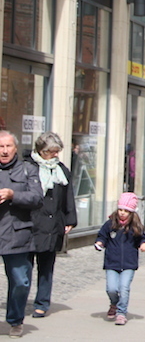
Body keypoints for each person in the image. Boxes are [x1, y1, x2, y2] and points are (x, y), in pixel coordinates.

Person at [28, 133, 77, 319]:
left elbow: (68, 198)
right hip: (31, 224)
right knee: (24, 270)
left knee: (46, 267)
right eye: (52, 152)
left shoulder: (61, 171)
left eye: (57, 151)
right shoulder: (28, 167)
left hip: (52, 225)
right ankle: (20, 300)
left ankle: (42, 303)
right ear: (41, 151)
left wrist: (69, 220)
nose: (56, 155)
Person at [0, 131, 42, 338]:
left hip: (17, 233)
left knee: (20, 281)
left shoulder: (28, 169)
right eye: (1, 147)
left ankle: (15, 319)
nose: (4, 151)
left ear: (15, 148)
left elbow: (37, 198)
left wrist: (12, 195)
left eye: (8, 146)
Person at [95, 192, 145, 326]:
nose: (122, 213)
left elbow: (143, 238)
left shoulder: (135, 227)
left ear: (131, 212)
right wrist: (100, 243)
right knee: (111, 289)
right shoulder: (110, 224)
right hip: (111, 263)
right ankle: (114, 303)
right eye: (120, 210)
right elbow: (102, 236)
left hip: (128, 264)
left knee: (124, 287)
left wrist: (144, 244)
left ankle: (121, 312)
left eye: (126, 211)